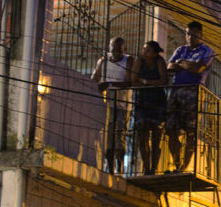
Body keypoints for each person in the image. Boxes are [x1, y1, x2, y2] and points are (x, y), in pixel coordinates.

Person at [166, 21, 214, 172]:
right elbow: (170, 67)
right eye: (187, 34)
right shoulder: (181, 49)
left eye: (193, 34)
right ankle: (177, 163)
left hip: (194, 91)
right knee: (171, 129)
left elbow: (198, 68)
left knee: (190, 130)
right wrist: (188, 65)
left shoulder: (206, 50)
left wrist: (181, 64)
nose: (190, 37)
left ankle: (184, 166)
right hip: (176, 91)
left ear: (200, 35)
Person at [91, 37, 133, 174]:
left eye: (119, 51)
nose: (116, 54)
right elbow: (95, 78)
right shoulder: (103, 61)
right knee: (108, 136)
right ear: (109, 48)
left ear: (124, 50)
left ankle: (119, 167)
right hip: (107, 103)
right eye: (113, 50)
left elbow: (129, 82)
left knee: (120, 135)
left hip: (123, 104)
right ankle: (109, 168)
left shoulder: (128, 60)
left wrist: (109, 84)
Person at [131, 41, 168, 175]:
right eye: (144, 49)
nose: (144, 52)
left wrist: (146, 82)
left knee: (156, 135)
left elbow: (164, 81)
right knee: (142, 134)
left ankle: (153, 168)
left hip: (157, 100)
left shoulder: (159, 61)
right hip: (142, 100)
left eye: (147, 50)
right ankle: (146, 168)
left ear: (154, 53)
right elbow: (134, 81)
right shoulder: (139, 61)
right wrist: (152, 84)